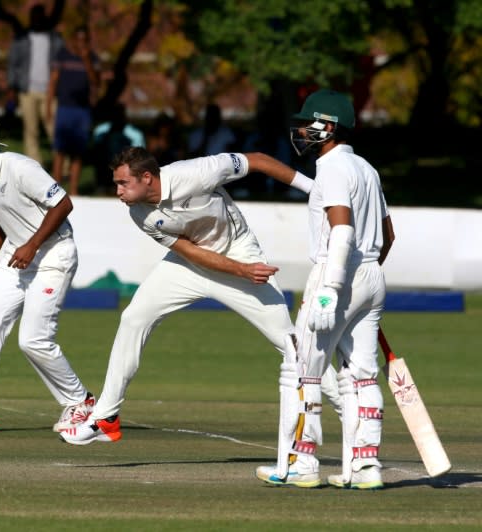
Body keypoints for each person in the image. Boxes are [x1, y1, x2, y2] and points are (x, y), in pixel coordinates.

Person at [59, 146, 316, 445]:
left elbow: (257, 160)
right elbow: (190, 252)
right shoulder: (138, 212)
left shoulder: (197, 172)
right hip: (191, 265)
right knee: (134, 317)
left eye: (123, 183)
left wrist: (313, 189)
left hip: (239, 251)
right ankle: (106, 417)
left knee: (290, 342)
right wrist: (240, 270)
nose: (117, 190)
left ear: (146, 178)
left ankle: (345, 403)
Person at [255, 89, 395, 489]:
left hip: (338, 270)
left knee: (304, 371)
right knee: (364, 374)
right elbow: (387, 235)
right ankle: (365, 467)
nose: (300, 130)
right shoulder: (367, 169)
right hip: (370, 274)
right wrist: (364, 281)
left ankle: (303, 462)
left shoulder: (332, 168)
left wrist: (331, 287)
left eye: (306, 123)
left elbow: (343, 228)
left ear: (328, 127)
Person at [0, 113, 94, 433]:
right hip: (16, 257)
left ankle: (81, 403)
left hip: (53, 255)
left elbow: (63, 204)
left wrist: (33, 245)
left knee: (33, 340)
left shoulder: (19, 167)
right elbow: (0, 216)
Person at [6, 3, 64, 164]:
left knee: (54, 129)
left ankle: (63, 165)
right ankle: (34, 165)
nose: (37, 20)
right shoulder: (21, 39)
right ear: (30, 19)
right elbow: (13, 64)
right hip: (27, 90)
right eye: (34, 17)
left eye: (40, 17)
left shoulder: (55, 38)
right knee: (31, 131)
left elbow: (62, 61)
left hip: (50, 91)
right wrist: (12, 87)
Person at [46, 25, 100, 196]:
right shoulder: (62, 55)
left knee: (78, 151)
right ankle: (56, 189)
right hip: (64, 108)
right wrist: (48, 105)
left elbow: (95, 82)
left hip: (82, 110)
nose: (81, 43)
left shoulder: (93, 58)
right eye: (79, 40)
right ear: (73, 40)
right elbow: (53, 81)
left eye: (85, 40)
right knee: (60, 149)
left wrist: (86, 60)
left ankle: (74, 190)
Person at [91, 103, 145, 194]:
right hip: (105, 167)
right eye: (114, 114)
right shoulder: (100, 130)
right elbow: (95, 153)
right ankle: (103, 185)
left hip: (126, 168)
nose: (117, 117)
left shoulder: (135, 134)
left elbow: (140, 157)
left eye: (119, 114)